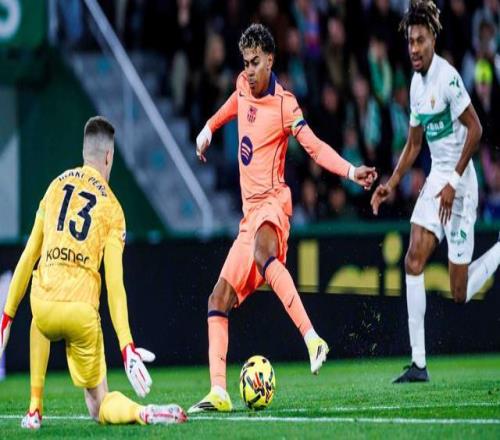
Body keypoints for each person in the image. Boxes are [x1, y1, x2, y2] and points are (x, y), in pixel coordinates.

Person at [189, 23, 377, 413]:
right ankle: (219, 391)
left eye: (256, 62)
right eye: (246, 62)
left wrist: (350, 170)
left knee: (263, 254)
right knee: (217, 298)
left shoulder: (285, 105)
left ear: (271, 60)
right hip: (248, 217)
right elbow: (233, 103)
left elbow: (314, 147)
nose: (250, 70)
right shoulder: (242, 85)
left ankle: (312, 339)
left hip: (274, 204)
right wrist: (208, 127)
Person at [0, 117, 187, 428]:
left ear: (84, 151)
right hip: (82, 312)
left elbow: (29, 255)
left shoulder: (55, 186)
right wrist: (126, 347)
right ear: (109, 156)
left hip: (43, 305)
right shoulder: (113, 209)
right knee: (98, 404)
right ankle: (141, 413)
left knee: (38, 320)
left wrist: (6, 317)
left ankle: (34, 409)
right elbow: (115, 285)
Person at [371, 0, 500, 383]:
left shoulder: (448, 78)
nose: (414, 48)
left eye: (420, 41)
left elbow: (476, 129)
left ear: (433, 40)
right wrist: (391, 184)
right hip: (436, 180)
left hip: (460, 185)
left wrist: (454, 183)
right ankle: (419, 364)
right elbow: (414, 144)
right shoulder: (415, 84)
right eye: (410, 41)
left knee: (459, 293)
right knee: (413, 260)